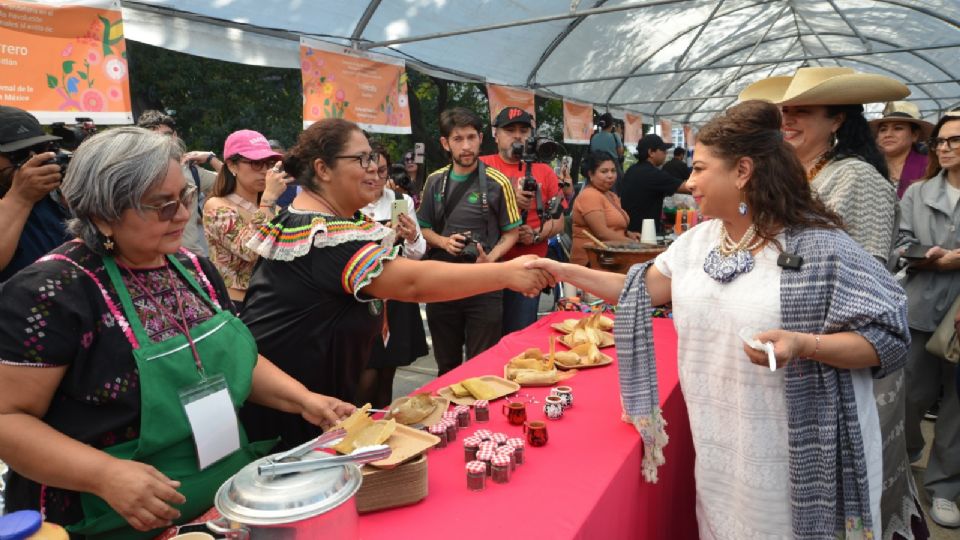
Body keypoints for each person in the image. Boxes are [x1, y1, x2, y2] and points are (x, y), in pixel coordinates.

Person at [527, 100, 914, 539]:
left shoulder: (820, 246)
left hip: (796, 456)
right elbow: (638, 289)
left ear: (743, 172)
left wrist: (806, 345)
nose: (689, 182)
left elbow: (889, 335)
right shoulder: (697, 243)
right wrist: (564, 271)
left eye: (700, 169)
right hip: (718, 446)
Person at [0, 127, 354, 539]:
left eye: (184, 197)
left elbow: (235, 359)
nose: (184, 215)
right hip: (111, 517)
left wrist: (305, 400)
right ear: (102, 215)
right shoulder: (52, 292)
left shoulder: (193, 268)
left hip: (224, 502)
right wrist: (105, 475)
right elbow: (8, 418)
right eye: (162, 206)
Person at [239, 117, 547, 449]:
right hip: (287, 418)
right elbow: (412, 283)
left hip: (311, 404)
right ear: (323, 169)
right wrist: (506, 273)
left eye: (373, 158)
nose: (373, 169)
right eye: (361, 159)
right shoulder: (323, 235)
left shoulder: (333, 221)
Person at [740, 65, 924, 540]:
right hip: (794, 351)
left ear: (838, 119)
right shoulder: (795, 174)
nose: (788, 121)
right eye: (784, 112)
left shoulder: (856, 178)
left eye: (802, 111)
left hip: (842, 357)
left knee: (850, 486)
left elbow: (867, 287)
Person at [896, 109, 960, 528]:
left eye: (955, 140)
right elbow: (901, 244)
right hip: (920, 304)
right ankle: (909, 450)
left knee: (956, 406)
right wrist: (927, 255)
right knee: (910, 394)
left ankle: (946, 487)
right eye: (941, 141)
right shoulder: (918, 193)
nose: (946, 147)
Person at [480, 106, 569, 334]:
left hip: (529, 267)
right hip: (488, 264)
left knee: (520, 336)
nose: (518, 135)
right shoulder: (481, 166)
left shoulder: (545, 171)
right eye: (509, 130)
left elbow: (559, 220)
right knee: (484, 337)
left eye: (523, 130)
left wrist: (536, 234)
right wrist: (506, 201)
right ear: (496, 134)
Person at [355, 145, 429, 407]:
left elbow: (417, 254)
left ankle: (382, 432)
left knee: (387, 375)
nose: (375, 177)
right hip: (360, 300)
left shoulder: (400, 202)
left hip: (394, 297)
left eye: (382, 170)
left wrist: (412, 236)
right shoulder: (348, 201)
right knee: (365, 375)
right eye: (369, 170)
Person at [202, 130, 286, 309]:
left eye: (269, 163)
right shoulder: (217, 206)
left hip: (271, 301)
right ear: (232, 165)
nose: (265, 171)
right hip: (236, 305)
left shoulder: (274, 209)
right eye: (256, 163)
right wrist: (269, 198)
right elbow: (250, 250)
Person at [136, 110, 223, 257]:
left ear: (175, 136)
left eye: (166, 136)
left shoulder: (191, 171)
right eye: (152, 138)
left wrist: (211, 159)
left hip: (192, 259)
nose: (161, 142)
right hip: (152, 259)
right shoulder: (133, 175)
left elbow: (235, 183)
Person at [0, 106, 69, 282]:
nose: (32, 161)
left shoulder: (52, 193)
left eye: (39, 149)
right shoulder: (23, 194)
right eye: (19, 154)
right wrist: (21, 198)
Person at [569, 151, 640, 266]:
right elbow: (602, 233)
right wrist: (633, 245)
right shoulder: (590, 195)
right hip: (592, 262)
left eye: (613, 170)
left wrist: (628, 234)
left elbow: (614, 225)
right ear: (591, 175)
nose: (610, 175)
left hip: (610, 257)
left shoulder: (610, 195)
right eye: (604, 171)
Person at [620, 133, 689, 235]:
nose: (665, 154)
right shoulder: (652, 174)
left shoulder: (632, 169)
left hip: (629, 230)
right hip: (643, 234)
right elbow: (687, 188)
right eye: (663, 151)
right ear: (651, 152)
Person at [870, 101, 933, 198]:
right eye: (883, 130)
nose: (888, 135)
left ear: (914, 135)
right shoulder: (868, 166)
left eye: (898, 128)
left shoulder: (930, 166)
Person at [589, 112, 625, 193]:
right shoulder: (615, 136)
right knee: (614, 193)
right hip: (611, 168)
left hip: (597, 168)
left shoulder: (594, 137)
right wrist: (619, 135)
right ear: (612, 124)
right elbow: (620, 152)